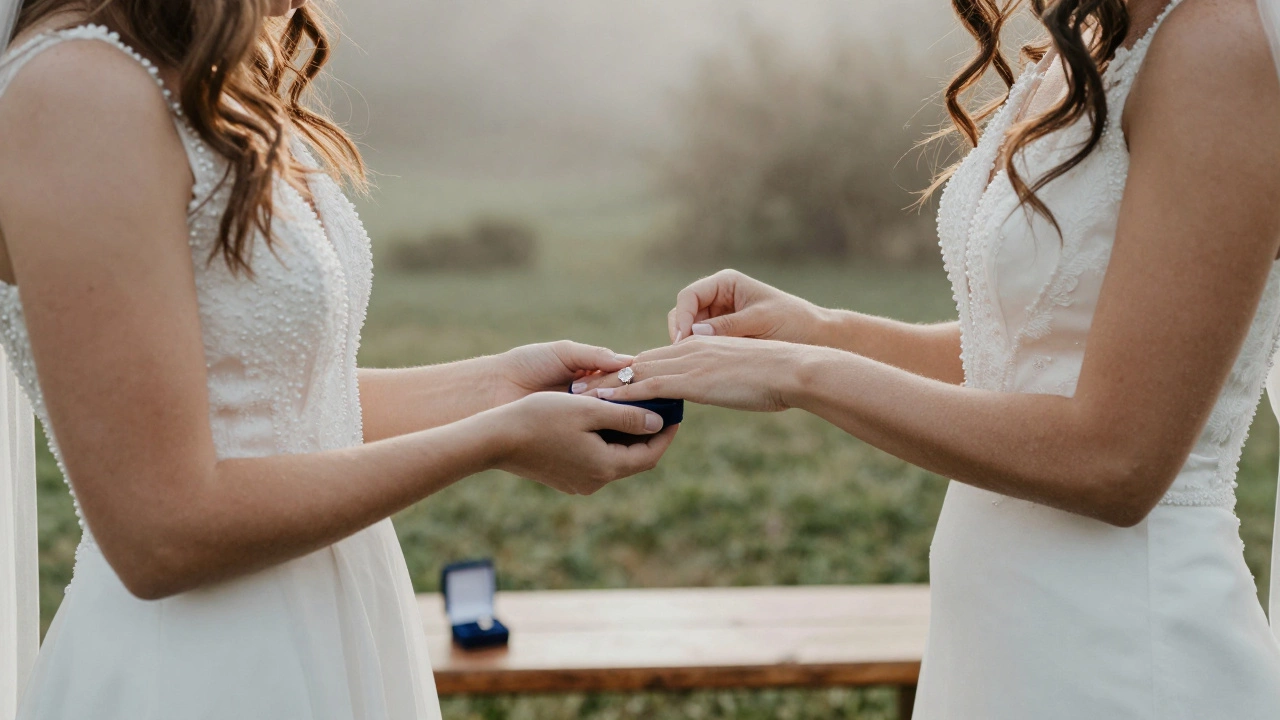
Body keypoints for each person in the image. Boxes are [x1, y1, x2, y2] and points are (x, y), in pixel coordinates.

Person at [582, 0, 1280, 716]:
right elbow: (1024, 357)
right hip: (997, 644)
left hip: (1128, 656)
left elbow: (1119, 460)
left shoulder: (1215, 46)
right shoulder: (1088, 35)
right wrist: (822, 329)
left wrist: (801, 375)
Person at [0, 1, 677, 718]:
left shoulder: (197, 70)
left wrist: (496, 388)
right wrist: (493, 440)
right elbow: (159, 531)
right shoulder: (74, 90)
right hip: (204, 668)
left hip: (335, 624)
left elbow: (265, 403)